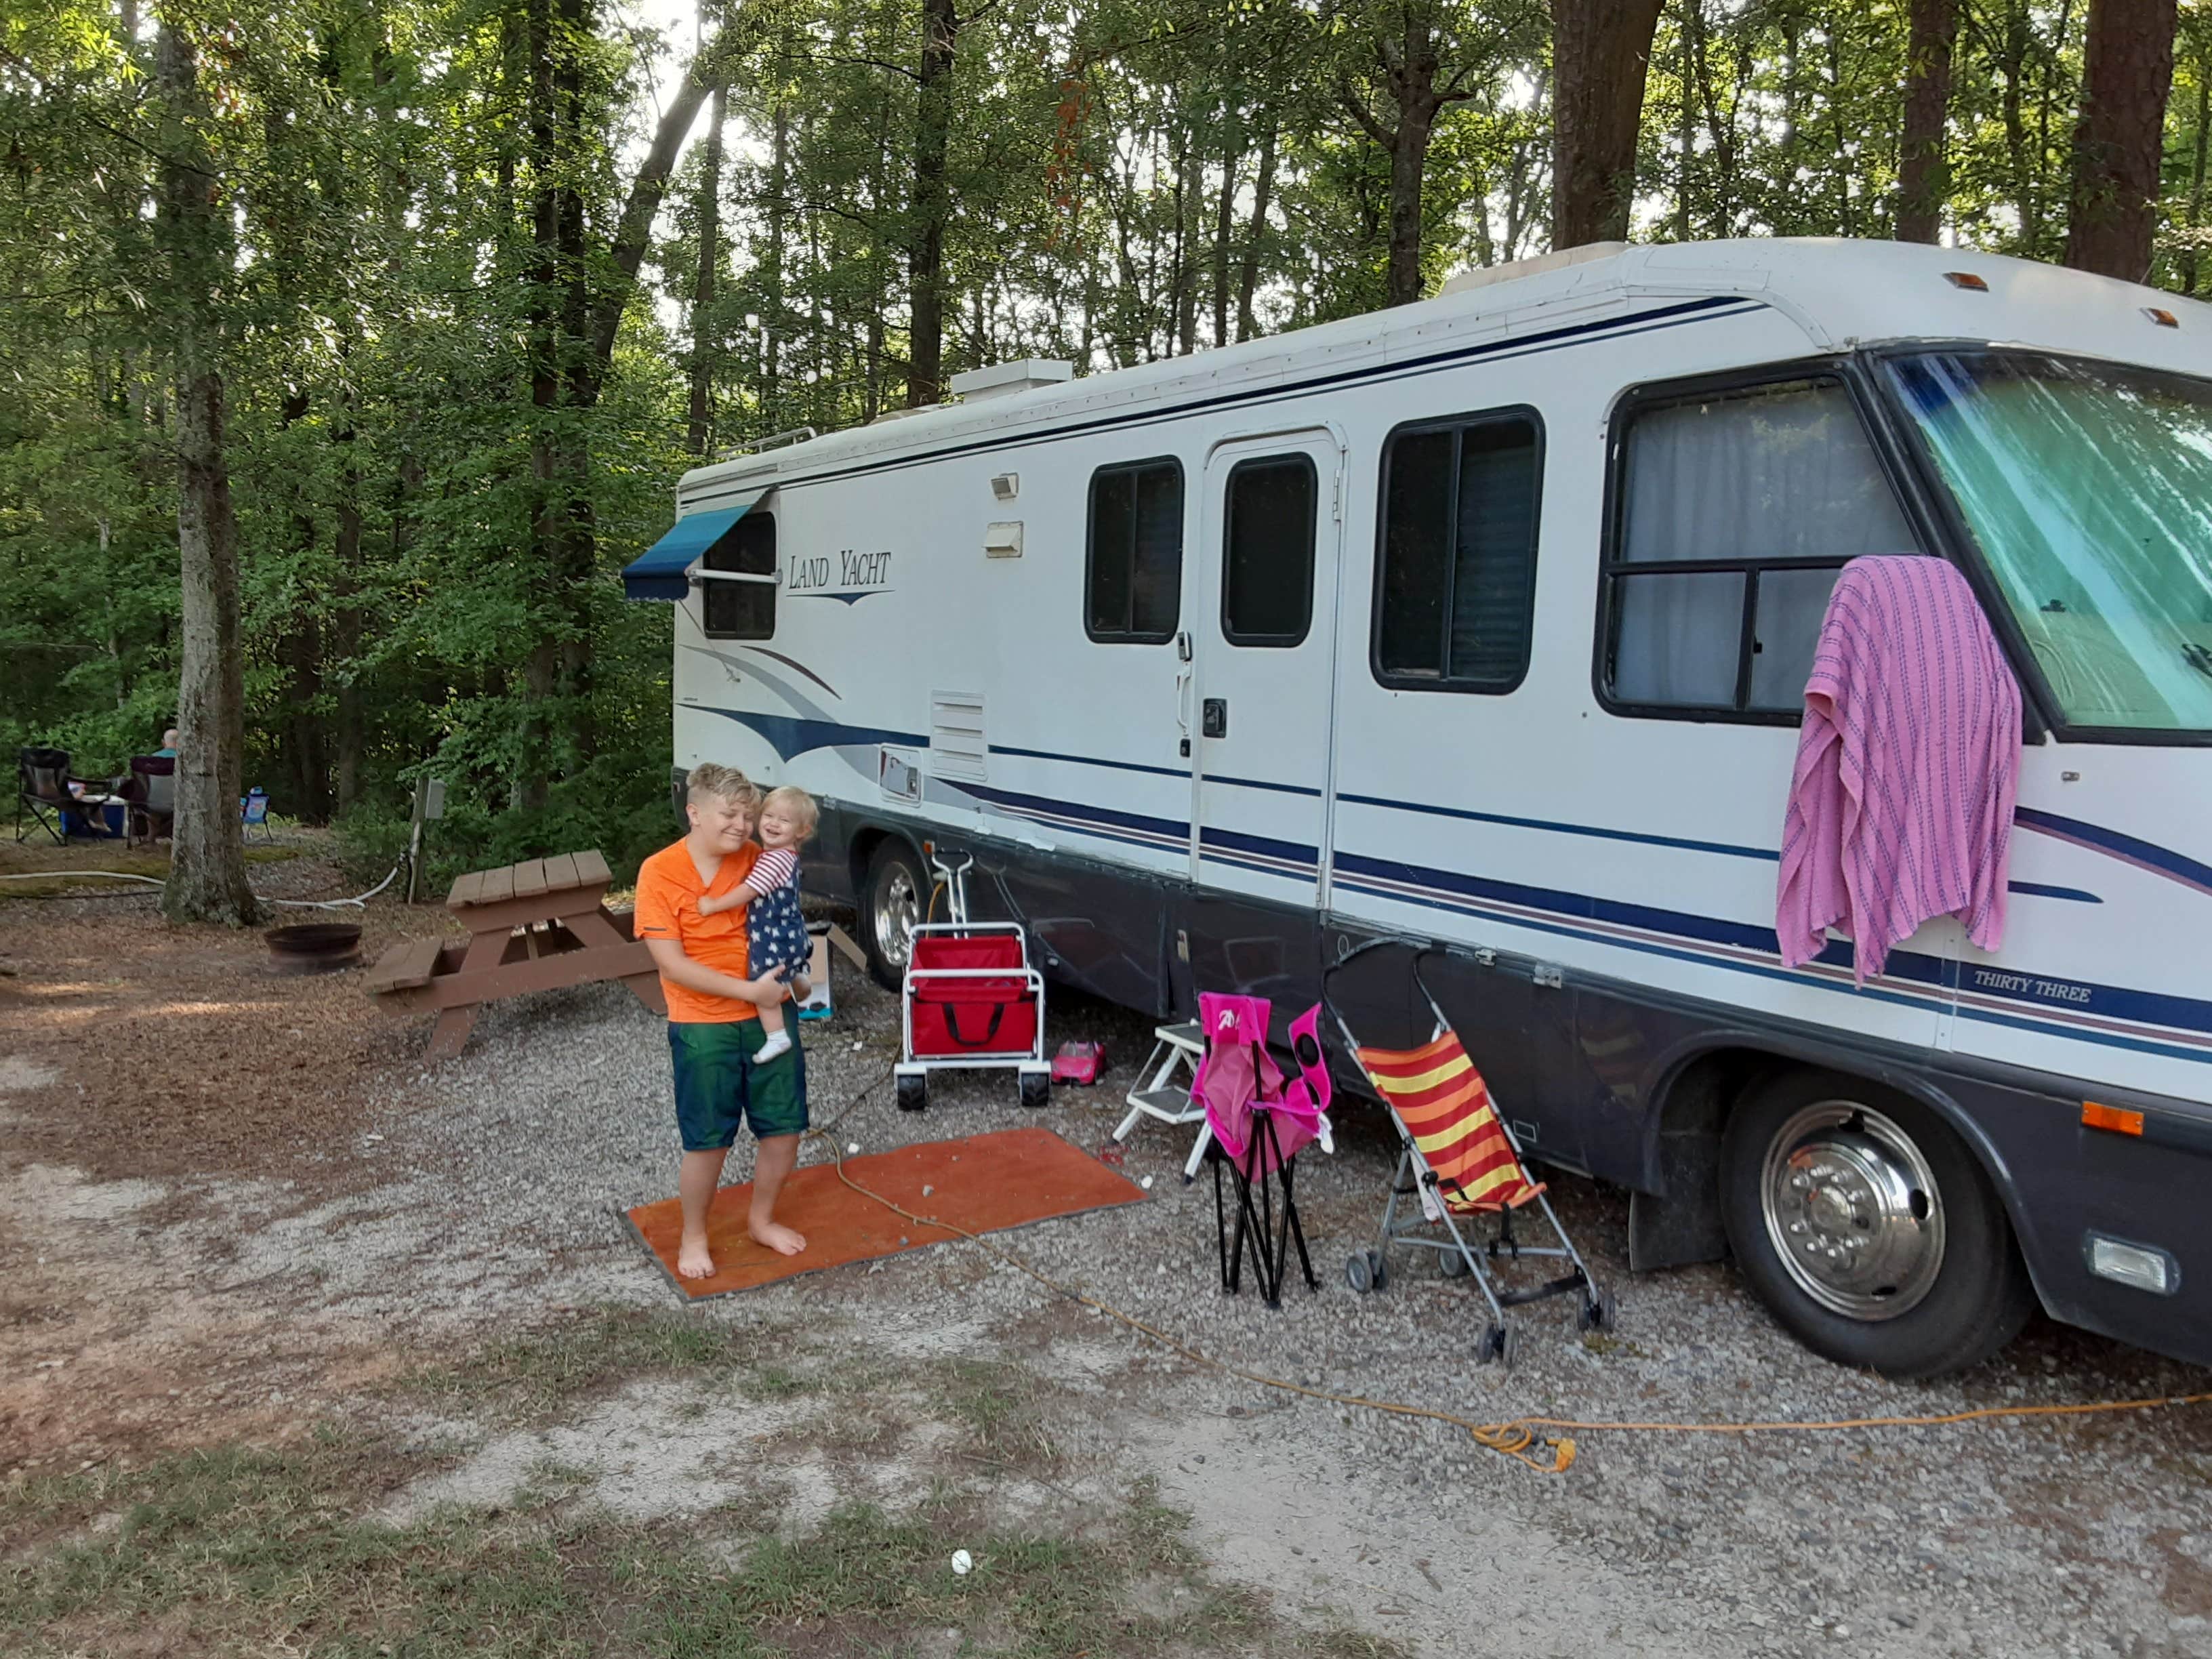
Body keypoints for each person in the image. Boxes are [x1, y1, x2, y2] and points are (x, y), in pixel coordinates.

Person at [633, 764, 813, 1278]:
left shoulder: (763, 860)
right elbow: (672, 964)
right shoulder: (659, 872)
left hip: (770, 1012)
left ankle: (761, 1220)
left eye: (747, 816)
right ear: (694, 813)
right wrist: (750, 991)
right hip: (702, 1024)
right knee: (708, 1140)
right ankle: (694, 1235)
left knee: (784, 1129)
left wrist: (801, 982)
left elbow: (792, 925)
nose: (741, 825)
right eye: (729, 814)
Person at [696, 784, 817, 1065]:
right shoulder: (787, 856)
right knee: (786, 966)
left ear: (802, 832)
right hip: (791, 933)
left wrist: (714, 905)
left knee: (764, 983)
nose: (773, 824)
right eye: (769, 816)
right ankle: (799, 980)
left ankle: (776, 1036)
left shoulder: (773, 861)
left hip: (774, 936)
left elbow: (750, 890)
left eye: (784, 821)